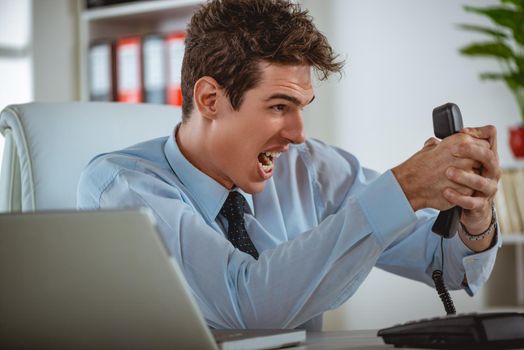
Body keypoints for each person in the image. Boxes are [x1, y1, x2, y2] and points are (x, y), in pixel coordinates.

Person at [77, 0, 501, 331]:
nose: (298, 133)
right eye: (279, 106)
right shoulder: (123, 188)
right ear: (209, 100)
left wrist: (473, 213)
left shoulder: (309, 167)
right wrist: (401, 191)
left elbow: (444, 263)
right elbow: (245, 310)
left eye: (302, 107)